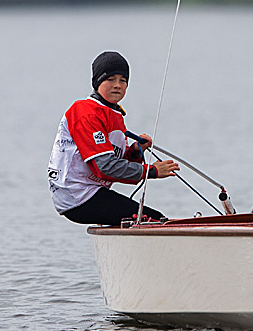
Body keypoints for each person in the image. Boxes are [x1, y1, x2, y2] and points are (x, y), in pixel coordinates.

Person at [48, 51, 178, 226]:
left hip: (92, 192)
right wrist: (152, 171)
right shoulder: (85, 112)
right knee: (154, 220)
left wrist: (134, 152)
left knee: (149, 218)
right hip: (77, 197)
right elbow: (105, 168)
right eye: (110, 79)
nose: (117, 85)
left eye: (123, 80)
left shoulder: (114, 114)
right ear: (97, 82)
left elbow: (114, 161)